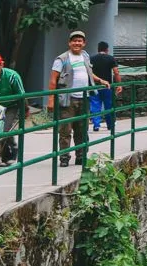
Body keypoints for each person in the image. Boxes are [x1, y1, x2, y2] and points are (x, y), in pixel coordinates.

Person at [50, 30, 104, 166]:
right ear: (69, 43)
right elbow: (53, 80)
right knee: (65, 130)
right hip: (68, 99)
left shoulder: (85, 56)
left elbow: (89, 73)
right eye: (74, 41)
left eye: (80, 41)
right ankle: (64, 157)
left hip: (84, 98)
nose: (77, 43)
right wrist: (51, 99)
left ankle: (81, 156)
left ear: (84, 43)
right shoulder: (61, 59)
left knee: (82, 128)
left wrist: (101, 81)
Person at [88, 41, 122, 133]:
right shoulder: (111, 58)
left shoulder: (91, 58)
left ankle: (96, 125)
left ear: (98, 49)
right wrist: (119, 84)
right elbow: (116, 72)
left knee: (95, 106)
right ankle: (110, 125)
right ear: (107, 49)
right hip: (107, 86)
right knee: (108, 106)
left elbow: (89, 72)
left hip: (94, 86)